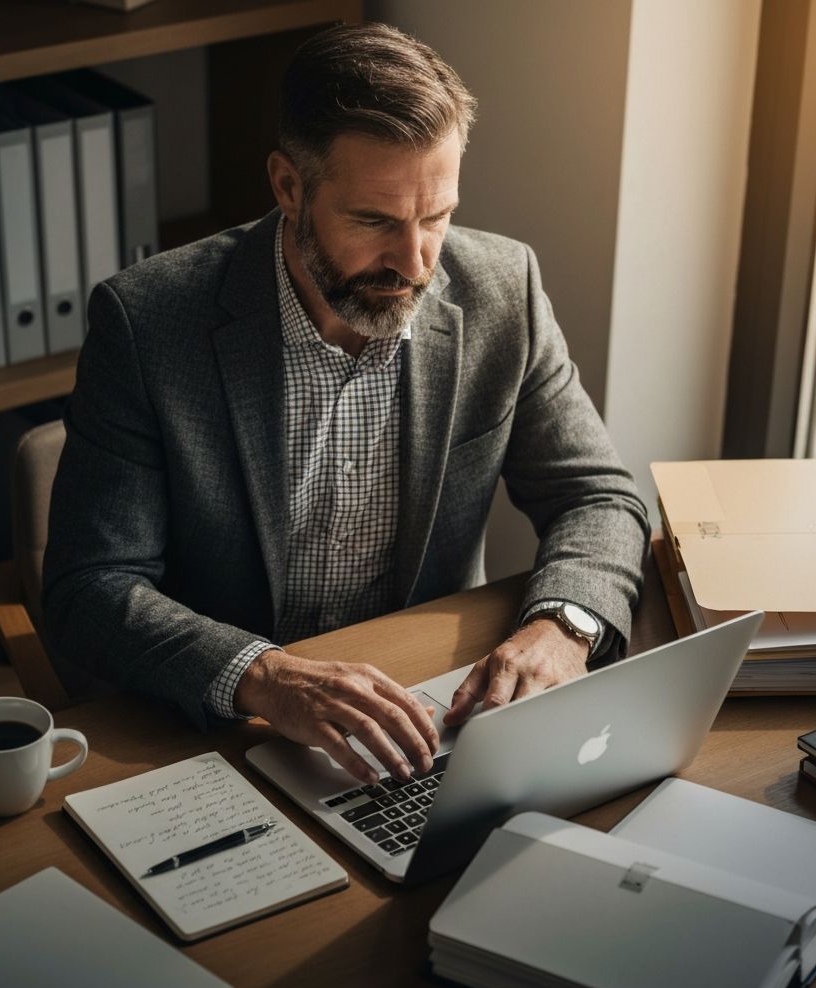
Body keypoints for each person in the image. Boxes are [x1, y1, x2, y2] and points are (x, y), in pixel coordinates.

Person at [42, 22, 649, 786]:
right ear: (289, 186)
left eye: (437, 216)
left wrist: (564, 625)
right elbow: (89, 588)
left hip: (432, 713)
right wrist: (264, 676)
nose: (417, 262)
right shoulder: (149, 324)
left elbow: (597, 496)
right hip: (225, 731)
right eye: (375, 221)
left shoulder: (503, 291)